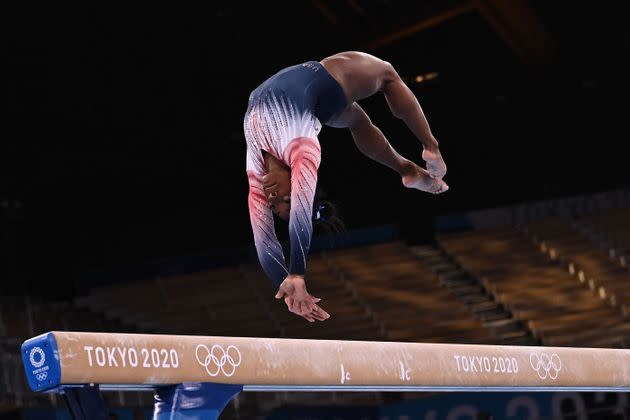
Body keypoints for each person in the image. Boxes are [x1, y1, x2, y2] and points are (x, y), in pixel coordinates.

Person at [244, 51, 448, 323]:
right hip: (323, 80)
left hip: (312, 100)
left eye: (273, 203)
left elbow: (264, 239)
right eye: (286, 200)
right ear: (300, 183)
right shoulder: (302, 150)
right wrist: (296, 275)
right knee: (387, 73)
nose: (270, 197)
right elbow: (300, 217)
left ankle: (408, 170)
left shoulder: (256, 172)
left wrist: (285, 280)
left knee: (358, 121)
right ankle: (430, 149)